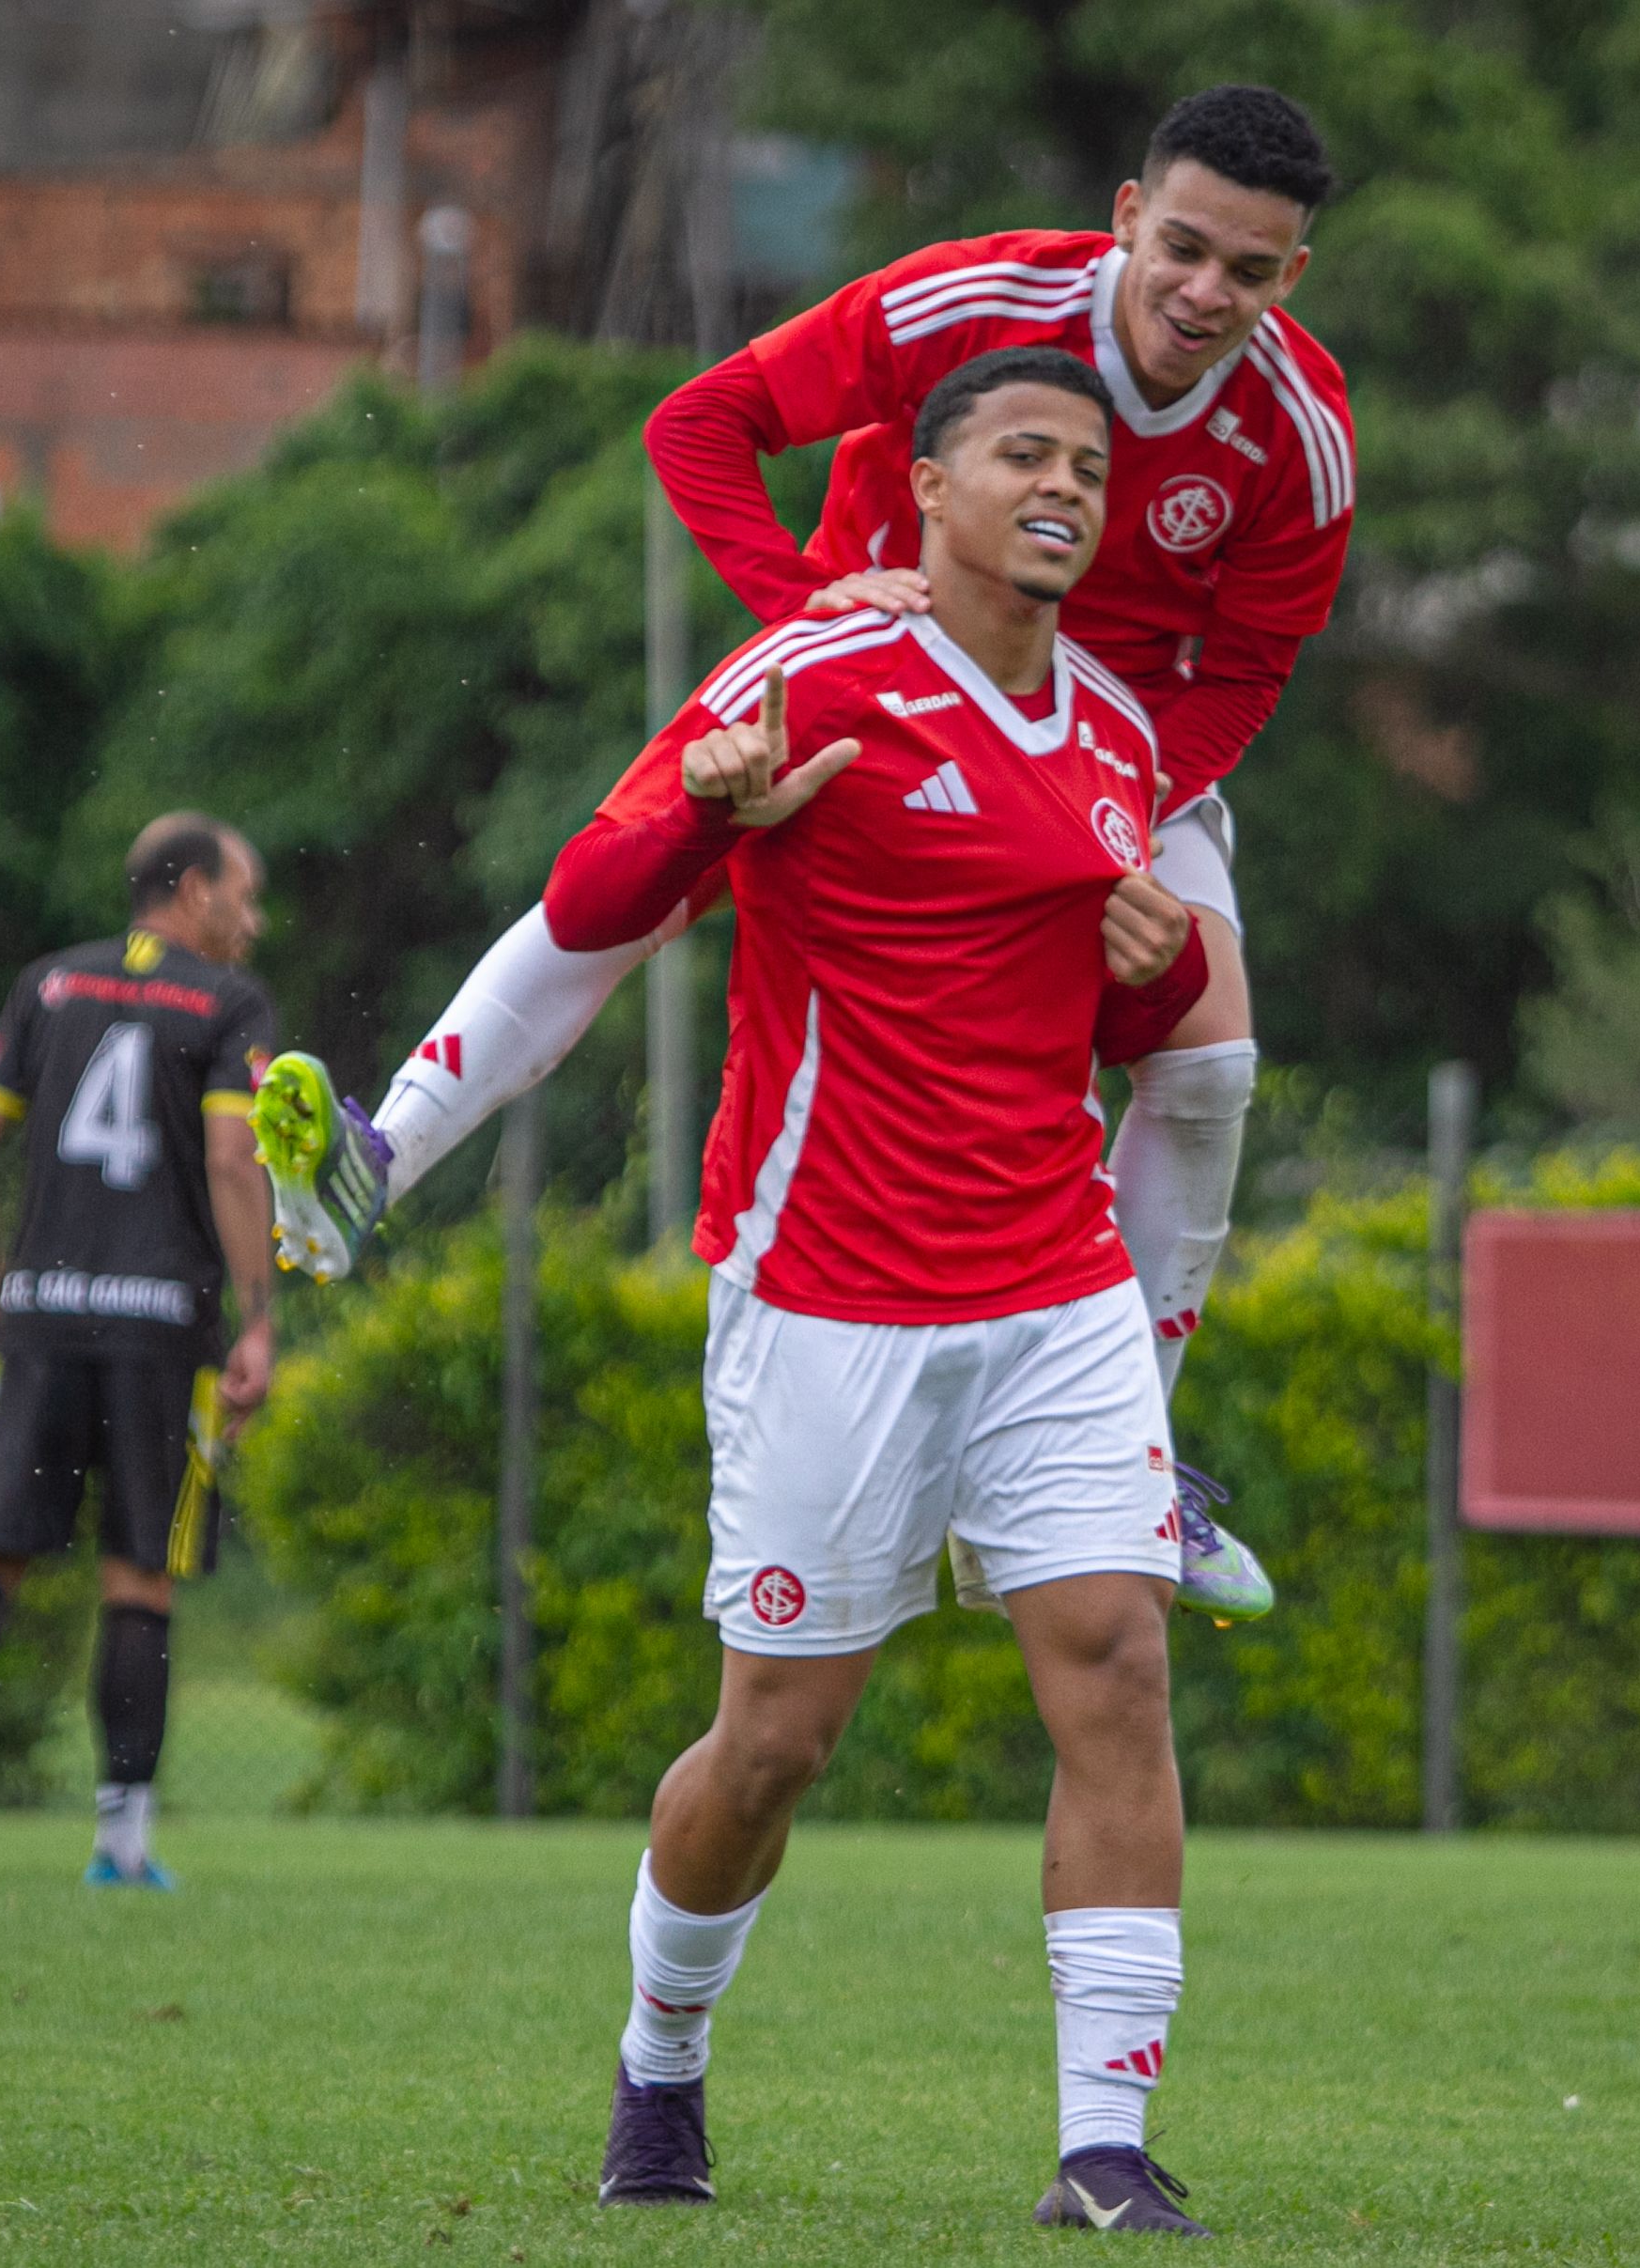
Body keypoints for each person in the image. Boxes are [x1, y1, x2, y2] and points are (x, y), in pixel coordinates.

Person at [269, 84, 1352, 1623]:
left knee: (1212, 1055)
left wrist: (1096, 806)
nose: (1204, 293)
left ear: (1290, 278)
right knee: (624, 876)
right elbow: (699, 421)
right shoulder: (970, 299)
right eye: (1182, 248)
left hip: (1103, 748)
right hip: (872, 676)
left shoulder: (1299, 435)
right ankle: (374, 1160)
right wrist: (803, 606)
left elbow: (1247, 662)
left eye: (1247, 273)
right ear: (1126, 216)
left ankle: (1138, 1464)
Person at [514, 346, 1218, 2229]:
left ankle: (1102, 2148)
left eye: (1088, 460)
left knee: (1119, 1670)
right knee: (776, 1739)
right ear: (925, 485)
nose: (1064, 482)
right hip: (828, 1296)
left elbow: (1117, 1018)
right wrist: (711, 812)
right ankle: (660, 2064)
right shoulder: (808, 673)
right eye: (1021, 452)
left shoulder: (1122, 739)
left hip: (1054, 1282)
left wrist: (1148, 977)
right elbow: (597, 885)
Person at [0, 814, 283, 1890]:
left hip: (42, 1311)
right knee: (140, 1579)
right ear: (189, 889)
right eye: (245, 893)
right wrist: (259, 1315)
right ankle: (122, 1842)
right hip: (163, 1327)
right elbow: (234, 1163)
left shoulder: (48, 985)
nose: (256, 917)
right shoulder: (228, 1005)